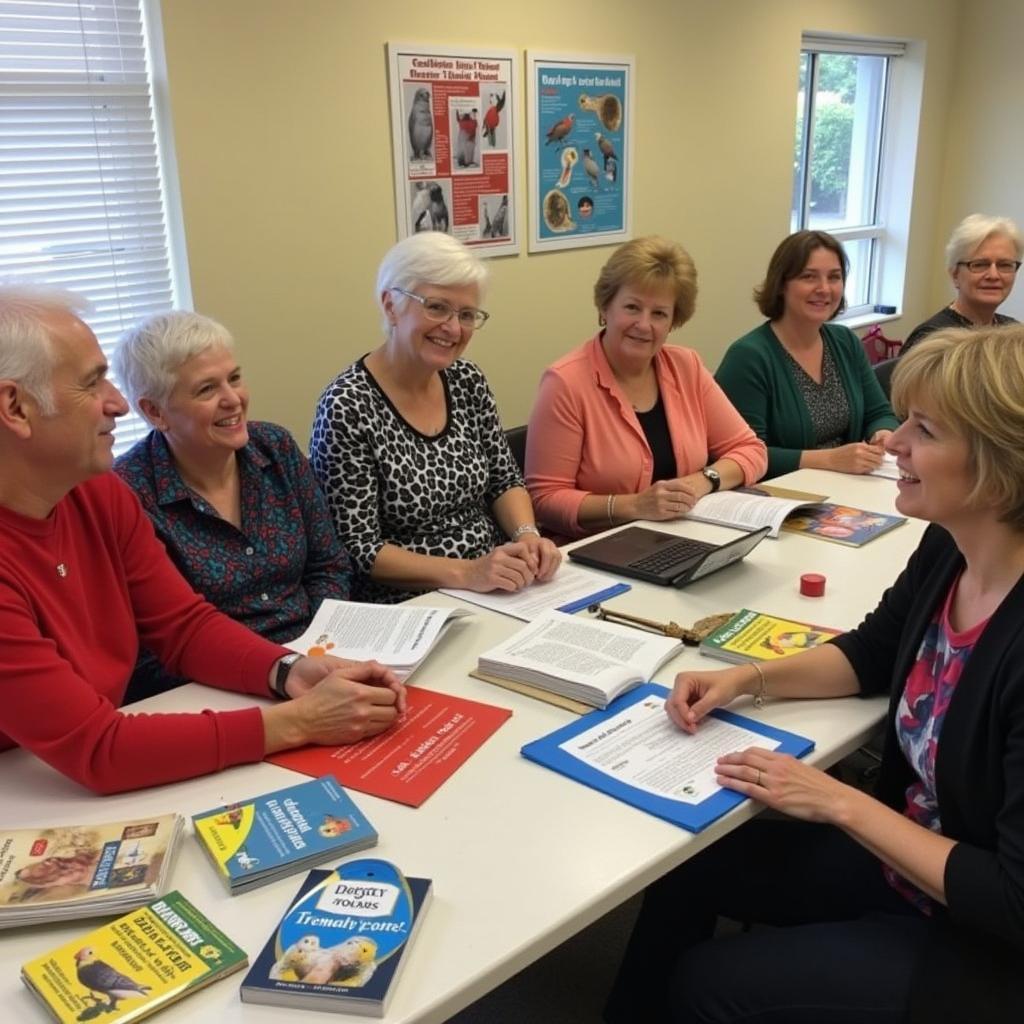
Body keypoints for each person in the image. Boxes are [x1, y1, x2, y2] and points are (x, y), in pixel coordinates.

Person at [605, 324, 1024, 1024]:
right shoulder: (949, 548)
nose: (894, 443)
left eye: (923, 429)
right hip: (912, 863)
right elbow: (870, 654)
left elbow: (1011, 898)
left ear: (997, 463)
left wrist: (838, 802)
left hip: (984, 942)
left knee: (710, 984)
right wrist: (745, 680)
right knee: (690, 868)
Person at [0, 287, 404, 795]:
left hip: (70, 774)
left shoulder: (97, 494)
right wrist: (299, 723)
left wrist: (294, 673)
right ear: (15, 407)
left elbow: (183, 626)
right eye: (91, 383)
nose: (118, 404)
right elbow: (99, 750)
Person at [112, 311, 352, 701]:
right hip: (212, 686)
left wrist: (315, 649)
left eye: (234, 378)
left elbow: (329, 565)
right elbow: (151, 646)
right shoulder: (126, 494)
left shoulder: (275, 448)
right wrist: (277, 669)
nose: (233, 399)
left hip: (316, 656)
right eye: (207, 389)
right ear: (154, 411)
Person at [310, 232, 560, 603]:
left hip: (495, 586)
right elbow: (359, 547)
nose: (454, 329)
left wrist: (527, 536)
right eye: (437, 308)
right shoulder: (346, 406)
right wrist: (467, 573)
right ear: (390, 305)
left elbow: (503, 480)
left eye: (467, 314)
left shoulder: (467, 380)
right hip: (409, 603)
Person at [525, 236, 767, 541]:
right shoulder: (565, 383)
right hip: (597, 550)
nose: (644, 324)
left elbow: (751, 450)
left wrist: (702, 481)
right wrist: (635, 506)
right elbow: (544, 500)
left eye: (659, 314)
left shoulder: (687, 367)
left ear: (673, 321)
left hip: (681, 538)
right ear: (605, 307)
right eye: (632, 307)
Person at [716, 230, 898, 479]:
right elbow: (741, 454)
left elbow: (879, 413)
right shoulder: (749, 357)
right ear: (781, 285)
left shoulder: (845, 342)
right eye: (809, 277)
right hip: (780, 496)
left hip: (849, 486)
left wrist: (883, 434)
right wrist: (830, 459)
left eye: (834, 277)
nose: (824, 289)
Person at [900, 213, 1021, 357]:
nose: (994, 275)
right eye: (980, 265)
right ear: (955, 275)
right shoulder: (932, 340)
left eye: (1004, 265)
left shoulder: (1013, 333)